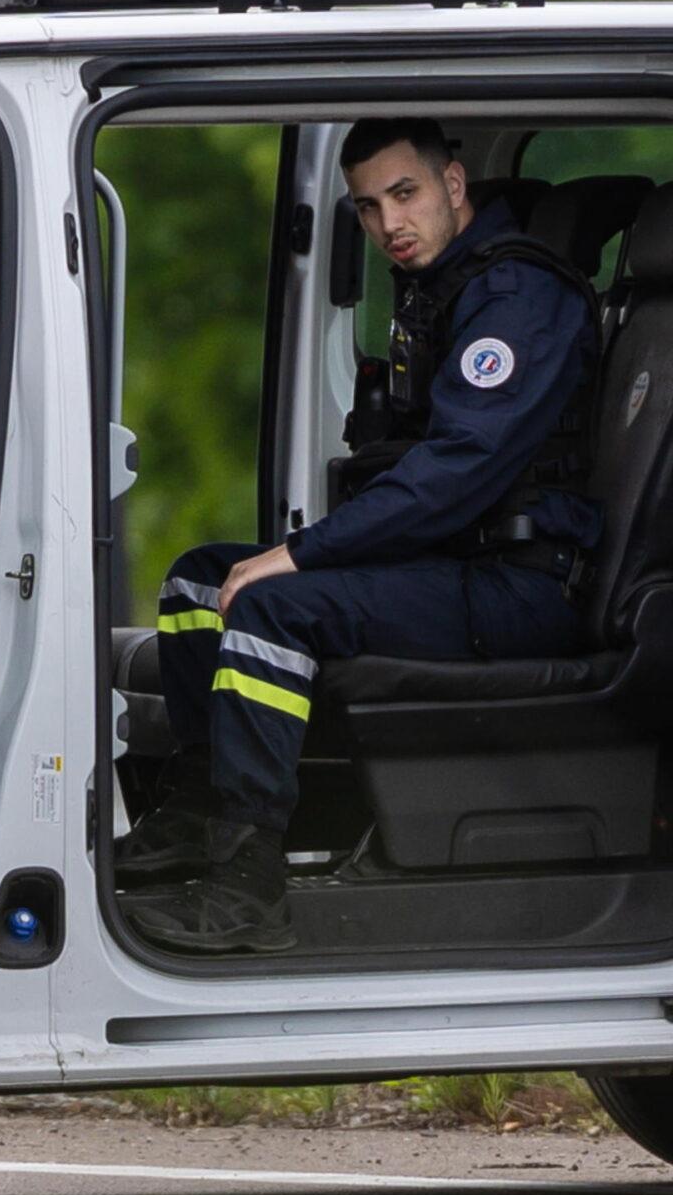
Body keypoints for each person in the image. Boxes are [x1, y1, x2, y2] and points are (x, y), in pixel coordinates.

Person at [118, 117, 602, 953]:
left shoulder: (518, 298)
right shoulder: (444, 288)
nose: (389, 225)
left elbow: (456, 473)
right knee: (200, 581)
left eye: (404, 194)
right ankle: (195, 819)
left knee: (272, 609)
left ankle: (245, 889)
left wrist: (302, 551)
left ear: (455, 185)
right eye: (368, 208)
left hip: (521, 584)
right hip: (457, 566)